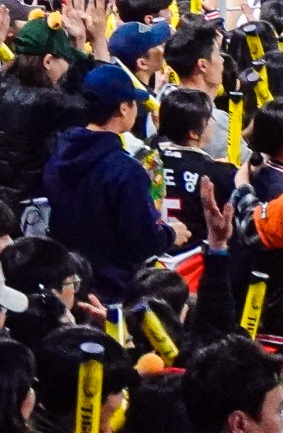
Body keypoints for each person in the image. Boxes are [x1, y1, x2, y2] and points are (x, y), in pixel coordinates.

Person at [43, 62, 189, 303]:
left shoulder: (58, 154)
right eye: (134, 103)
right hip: (113, 292)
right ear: (123, 108)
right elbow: (141, 241)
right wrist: (170, 234)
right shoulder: (125, 170)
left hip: (68, 285)